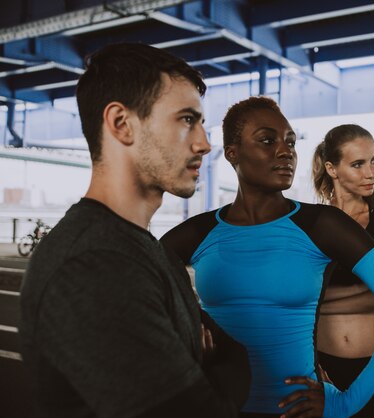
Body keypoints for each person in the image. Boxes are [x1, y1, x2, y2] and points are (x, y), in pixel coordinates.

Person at [160, 97, 374, 418]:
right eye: (267, 140)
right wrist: (194, 324)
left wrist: (347, 403)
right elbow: (134, 290)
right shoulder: (197, 232)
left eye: (290, 141)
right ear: (232, 153)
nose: (285, 150)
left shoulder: (322, 225)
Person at [19, 43, 249, 418]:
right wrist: (217, 369)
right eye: (187, 120)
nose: (205, 144)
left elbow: (233, 351)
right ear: (121, 124)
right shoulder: (95, 265)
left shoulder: (145, 251)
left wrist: (216, 367)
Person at [311, 124, 374, 418]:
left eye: (373, 160)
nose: (371, 172)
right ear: (332, 168)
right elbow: (297, 301)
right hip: (325, 364)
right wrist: (367, 287)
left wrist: (322, 301)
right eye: (357, 164)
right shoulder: (315, 223)